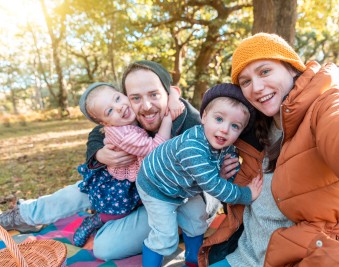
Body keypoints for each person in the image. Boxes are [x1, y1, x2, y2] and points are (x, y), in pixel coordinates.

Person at [198, 33, 339, 267]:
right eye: (245, 81)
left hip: (307, 256)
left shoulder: (325, 105)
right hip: (242, 255)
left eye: (264, 71)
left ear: (292, 68)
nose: (257, 87)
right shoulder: (251, 130)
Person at [0, 60, 219, 261]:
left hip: (175, 201)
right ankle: (25, 215)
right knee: (84, 188)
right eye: (135, 98)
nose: (146, 106)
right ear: (127, 97)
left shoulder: (190, 122)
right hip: (129, 189)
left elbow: (209, 174)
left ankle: (108, 221)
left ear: (169, 93)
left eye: (155, 94)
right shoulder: (128, 115)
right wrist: (98, 153)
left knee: (104, 248)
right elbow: (99, 131)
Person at [137, 83, 263, 267]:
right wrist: (246, 194)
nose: (225, 129)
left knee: (197, 219)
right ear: (204, 117)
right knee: (166, 236)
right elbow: (214, 186)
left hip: (184, 186)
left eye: (235, 126)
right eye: (219, 119)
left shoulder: (224, 143)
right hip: (156, 186)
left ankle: (192, 260)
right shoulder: (193, 148)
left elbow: (231, 167)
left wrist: (230, 176)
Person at [72, 81, 179, 246]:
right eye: (109, 111)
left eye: (117, 99)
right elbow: (153, 148)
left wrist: (173, 96)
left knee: (139, 201)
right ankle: (97, 219)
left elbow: (157, 88)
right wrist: (167, 119)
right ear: (106, 123)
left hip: (136, 176)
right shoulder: (123, 133)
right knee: (120, 210)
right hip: (119, 182)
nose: (119, 108)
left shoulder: (132, 113)